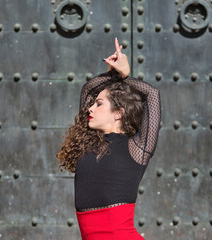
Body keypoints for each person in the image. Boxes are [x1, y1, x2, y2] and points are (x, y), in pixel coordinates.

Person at [56, 37, 161, 240]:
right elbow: (88, 89)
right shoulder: (87, 140)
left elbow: (152, 95)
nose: (90, 108)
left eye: (99, 104)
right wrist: (115, 74)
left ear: (118, 113)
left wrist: (125, 77)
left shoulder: (137, 148)